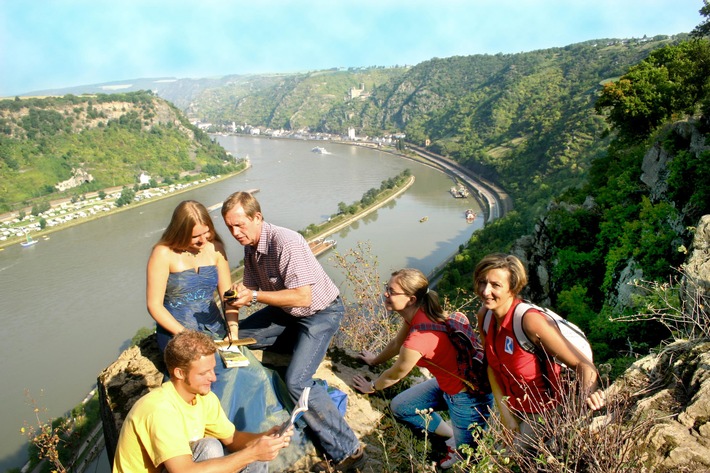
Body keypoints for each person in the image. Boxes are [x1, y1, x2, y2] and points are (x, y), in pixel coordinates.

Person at [220, 191, 365, 472]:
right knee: (235, 342)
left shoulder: (286, 242)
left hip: (320, 315)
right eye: (229, 227)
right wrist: (237, 315)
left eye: (240, 225)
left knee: (297, 381)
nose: (235, 233)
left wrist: (252, 296)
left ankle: (349, 449)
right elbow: (253, 292)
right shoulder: (251, 248)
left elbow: (302, 298)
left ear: (257, 217)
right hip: (287, 314)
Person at [351, 268, 493, 470]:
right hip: (446, 386)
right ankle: (451, 435)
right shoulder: (417, 317)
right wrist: (374, 361)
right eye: (387, 288)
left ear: (410, 299)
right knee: (401, 407)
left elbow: (395, 374)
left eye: (391, 291)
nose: (386, 294)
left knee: (467, 460)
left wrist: (372, 386)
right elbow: (394, 344)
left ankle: (457, 448)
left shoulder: (419, 338)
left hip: (468, 399)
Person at [473, 253, 605, 453]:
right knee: (485, 452)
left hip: (546, 410)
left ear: (513, 288)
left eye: (495, 285)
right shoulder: (485, 317)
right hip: (513, 408)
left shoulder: (529, 322)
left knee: (500, 461)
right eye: (482, 282)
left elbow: (583, 365)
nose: (485, 291)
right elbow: (492, 367)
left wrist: (588, 397)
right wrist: (506, 416)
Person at [112, 329, 293, 473]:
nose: (213, 378)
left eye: (213, 370)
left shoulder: (204, 398)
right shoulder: (159, 409)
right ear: (179, 373)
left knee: (254, 460)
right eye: (203, 373)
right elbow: (183, 470)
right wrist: (251, 453)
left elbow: (233, 439)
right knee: (211, 447)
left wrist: (266, 437)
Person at [146, 200, 238, 352]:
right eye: (195, 236)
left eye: (206, 232)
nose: (203, 240)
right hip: (177, 333)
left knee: (248, 371)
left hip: (215, 328)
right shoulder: (162, 254)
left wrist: (233, 332)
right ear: (180, 232)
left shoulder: (216, 248)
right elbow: (154, 305)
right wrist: (187, 336)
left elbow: (228, 297)